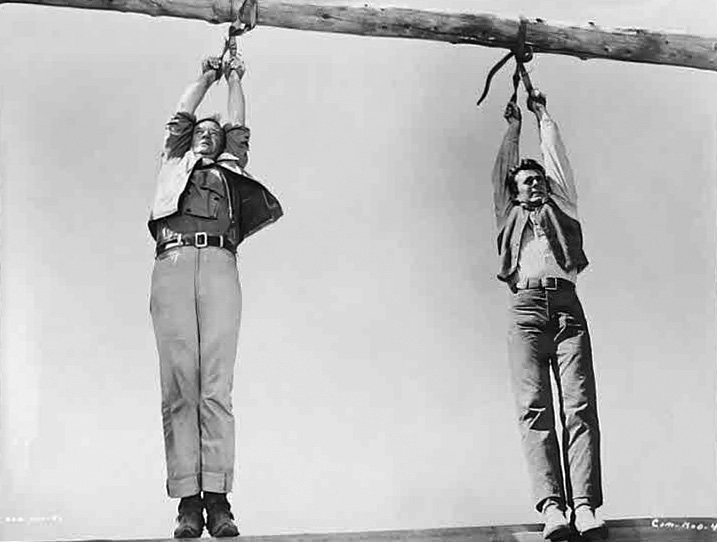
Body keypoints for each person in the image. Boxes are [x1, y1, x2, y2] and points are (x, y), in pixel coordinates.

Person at [148, 52, 282, 538]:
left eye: (214, 132)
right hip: (172, 261)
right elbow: (180, 115)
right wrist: (206, 78)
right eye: (200, 131)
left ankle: (218, 501)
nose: (206, 134)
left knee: (215, 388)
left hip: (221, 264)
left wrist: (235, 79)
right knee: (179, 386)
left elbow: (239, 125)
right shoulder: (174, 160)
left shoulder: (229, 167)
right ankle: (188, 503)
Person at [490, 90, 606, 541]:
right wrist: (513, 128)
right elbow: (502, 171)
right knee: (533, 408)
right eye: (526, 181)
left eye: (538, 179)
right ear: (515, 192)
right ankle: (553, 508)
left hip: (566, 310)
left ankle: (584, 506)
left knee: (579, 405)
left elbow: (557, 161)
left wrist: (542, 116)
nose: (535, 184)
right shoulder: (508, 214)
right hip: (525, 313)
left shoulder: (563, 206)